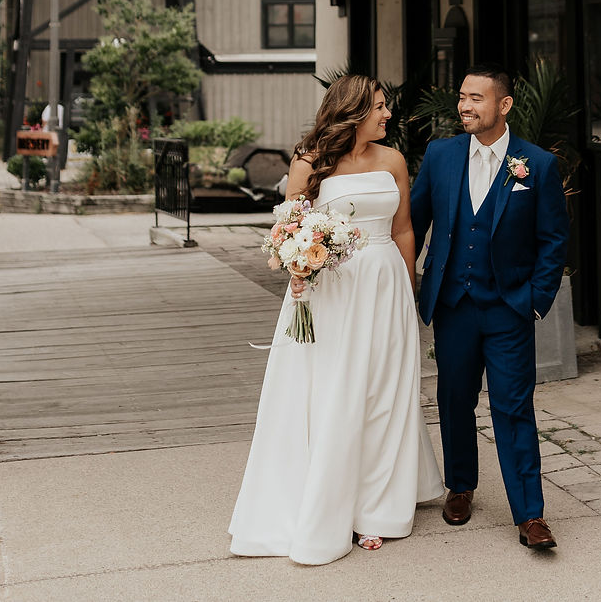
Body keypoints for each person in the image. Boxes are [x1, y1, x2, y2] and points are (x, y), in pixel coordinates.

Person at [229, 74, 443, 565]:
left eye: (386, 107)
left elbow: (405, 227)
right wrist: (297, 267)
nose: (388, 115)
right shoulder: (309, 162)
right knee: (335, 390)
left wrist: (407, 288)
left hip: (385, 283)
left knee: (385, 391)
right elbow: (286, 231)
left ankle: (378, 509)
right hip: (332, 291)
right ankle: (330, 502)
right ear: (353, 111)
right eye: (380, 107)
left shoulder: (392, 161)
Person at [410, 63, 569, 551]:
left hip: (509, 309)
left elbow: (553, 240)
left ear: (503, 105)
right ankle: (461, 486)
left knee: (513, 407)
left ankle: (530, 515)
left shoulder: (535, 164)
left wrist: (535, 303)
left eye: (476, 98)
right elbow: (410, 223)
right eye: (462, 96)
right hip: (454, 304)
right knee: (455, 399)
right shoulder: (440, 154)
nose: (464, 105)